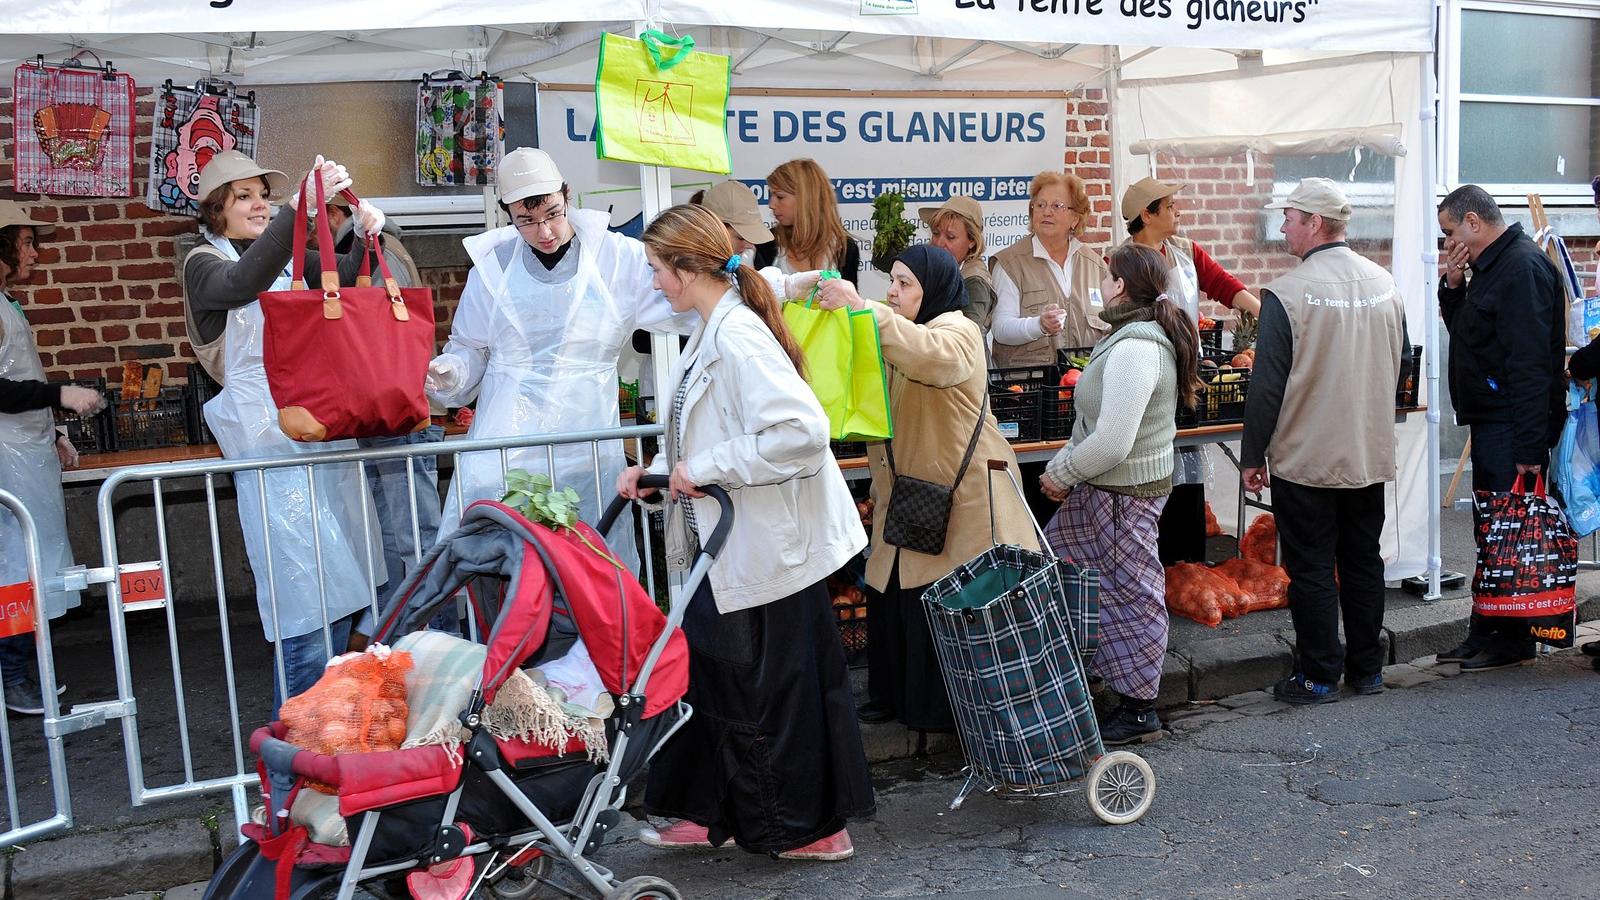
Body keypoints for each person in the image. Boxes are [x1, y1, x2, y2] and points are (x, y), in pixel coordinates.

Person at [616, 203, 872, 860]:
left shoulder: (734, 336)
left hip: (761, 547)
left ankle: (812, 830)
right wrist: (660, 473)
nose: (653, 283)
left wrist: (695, 470)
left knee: (766, 690)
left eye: (655, 268)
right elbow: (711, 428)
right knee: (716, 677)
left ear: (684, 268)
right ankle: (703, 811)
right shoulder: (718, 324)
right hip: (739, 543)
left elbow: (802, 433)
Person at [177, 150, 389, 714]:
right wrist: (295, 214)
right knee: (303, 598)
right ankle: (294, 759)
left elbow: (346, 279)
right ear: (215, 210)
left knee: (343, 591)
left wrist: (368, 238)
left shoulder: (288, 255)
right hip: (265, 441)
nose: (257, 203)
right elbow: (241, 283)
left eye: (262, 194)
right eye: (243, 196)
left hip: (317, 431)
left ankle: (334, 736)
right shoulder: (203, 263)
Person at [804, 245, 1040, 732]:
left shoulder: (958, 329)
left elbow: (935, 360)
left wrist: (860, 307)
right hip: (911, 497)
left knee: (940, 605)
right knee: (895, 597)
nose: (892, 291)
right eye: (891, 281)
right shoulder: (899, 331)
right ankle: (897, 698)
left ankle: (944, 715)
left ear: (932, 289)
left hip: (963, 502)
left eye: (905, 283)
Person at [425, 148, 692, 568]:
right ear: (508, 216)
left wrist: (774, 290)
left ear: (567, 196)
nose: (544, 230)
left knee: (593, 561)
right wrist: (451, 372)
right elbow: (470, 348)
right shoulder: (492, 268)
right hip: (506, 441)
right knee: (504, 566)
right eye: (526, 221)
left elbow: (689, 295)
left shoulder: (615, 257)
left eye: (552, 212)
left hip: (585, 438)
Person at [1239, 178, 1408, 704]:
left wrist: (1252, 455)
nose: (1283, 225)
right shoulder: (1385, 282)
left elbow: (1266, 386)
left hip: (1307, 456)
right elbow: (1399, 363)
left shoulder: (1286, 294)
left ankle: (1316, 675)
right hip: (1366, 451)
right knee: (1363, 560)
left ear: (1315, 223)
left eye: (1289, 216)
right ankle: (1367, 670)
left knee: (1311, 566)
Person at [1038, 243, 1201, 744]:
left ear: (1121, 286)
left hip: (1122, 493)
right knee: (1066, 573)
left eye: (1107, 275)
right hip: (1103, 489)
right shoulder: (1127, 336)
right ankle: (1091, 677)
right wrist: (1068, 466)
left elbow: (1112, 440)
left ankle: (1138, 708)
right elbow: (1093, 422)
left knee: (1133, 594)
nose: (1101, 282)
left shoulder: (1136, 348)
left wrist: (1061, 472)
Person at [1435, 185, 1566, 672]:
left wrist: (1530, 446)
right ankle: (1487, 628)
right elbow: (1470, 335)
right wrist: (1453, 286)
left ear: (1473, 222)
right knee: (1493, 531)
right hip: (1494, 418)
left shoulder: (1522, 267)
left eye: (1450, 231)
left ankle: (1512, 637)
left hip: (1513, 424)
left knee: (1511, 532)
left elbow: (1531, 364)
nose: (1448, 241)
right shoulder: (1491, 268)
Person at [325, 192, 451, 636]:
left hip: (399, 413)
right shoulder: (385, 249)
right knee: (406, 539)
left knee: (415, 539)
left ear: (337, 215)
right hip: (395, 412)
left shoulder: (378, 254)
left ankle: (439, 643)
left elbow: (382, 343)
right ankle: (409, 643)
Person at [1123, 177, 1261, 569]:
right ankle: (1156, 563)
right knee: (1152, 465)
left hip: (1190, 375)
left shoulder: (1185, 251)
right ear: (1147, 214)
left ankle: (1188, 562)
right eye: (1169, 206)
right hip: (1148, 375)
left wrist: (1265, 314)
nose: (1178, 211)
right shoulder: (1122, 261)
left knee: (1187, 463)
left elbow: (1223, 285)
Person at [0, 202, 105, 716]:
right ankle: (13, 677)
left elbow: (21, 377)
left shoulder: (6, 303)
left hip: (24, 449)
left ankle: (24, 673)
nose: (34, 253)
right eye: (24, 242)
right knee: (14, 567)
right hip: (6, 457)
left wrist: (54, 428)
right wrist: (58, 396)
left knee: (29, 564)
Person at [991, 171, 1110, 365]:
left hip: (1084, 387)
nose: (1047, 212)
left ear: (1075, 218)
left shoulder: (1096, 266)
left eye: (1057, 206)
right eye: (1040, 205)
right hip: (1029, 389)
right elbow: (1001, 329)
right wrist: (1039, 325)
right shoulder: (1010, 263)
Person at [755, 159, 861, 286]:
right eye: (771, 196)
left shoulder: (845, 249)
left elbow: (851, 303)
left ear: (806, 199)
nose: (771, 205)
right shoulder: (766, 244)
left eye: (780, 197)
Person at [920, 196, 995, 329]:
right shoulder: (938, 265)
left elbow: (966, 338)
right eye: (936, 233)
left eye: (951, 237)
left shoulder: (974, 281)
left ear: (972, 241)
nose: (939, 243)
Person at [695, 180, 774, 264]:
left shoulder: (749, 257)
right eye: (740, 238)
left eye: (751, 237)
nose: (750, 246)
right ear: (713, 228)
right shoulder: (687, 265)